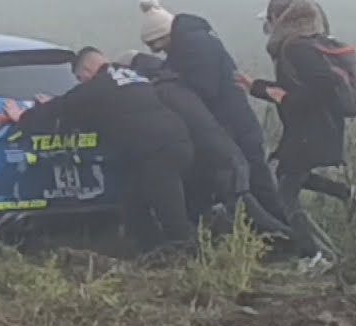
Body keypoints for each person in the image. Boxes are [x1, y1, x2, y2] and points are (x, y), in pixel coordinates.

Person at [3, 47, 195, 256]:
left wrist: (22, 117)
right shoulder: (132, 77)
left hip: (156, 152)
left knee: (170, 212)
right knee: (134, 205)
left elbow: (62, 107)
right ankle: (153, 254)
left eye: (79, 77)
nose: (80, 82)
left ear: (87, 69)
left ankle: (187, 259)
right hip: (177, 140)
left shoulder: (98, 87)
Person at [138, 0, 292, 229]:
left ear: (166, 36)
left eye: (159, 46)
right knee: (250, 183)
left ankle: (289, 236)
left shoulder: (195, 46)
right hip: (231, 124)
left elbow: (204, 88)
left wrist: (172, 82)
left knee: (257, 185)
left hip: (235, 126)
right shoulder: (193, 42)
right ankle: (274, 235)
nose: (160, 53)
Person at [119, 50, 293, 239]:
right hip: (225, 158)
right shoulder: (177, 84)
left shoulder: (160, 92)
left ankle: (302, 245)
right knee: (224, 212)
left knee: (254, 216)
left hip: (219, 164)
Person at [237, 0, 350, 274]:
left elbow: (321, 87)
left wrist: (285, 99)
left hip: (310, 131)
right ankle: (349, 197)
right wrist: (257, 88)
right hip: (311, 129)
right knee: (287, 180)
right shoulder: (302, 44)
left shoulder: (296, 48)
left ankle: (313, 256)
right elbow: (292, 88)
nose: (268, 25)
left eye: (271, 19)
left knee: (284, 192)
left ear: (281, 19)